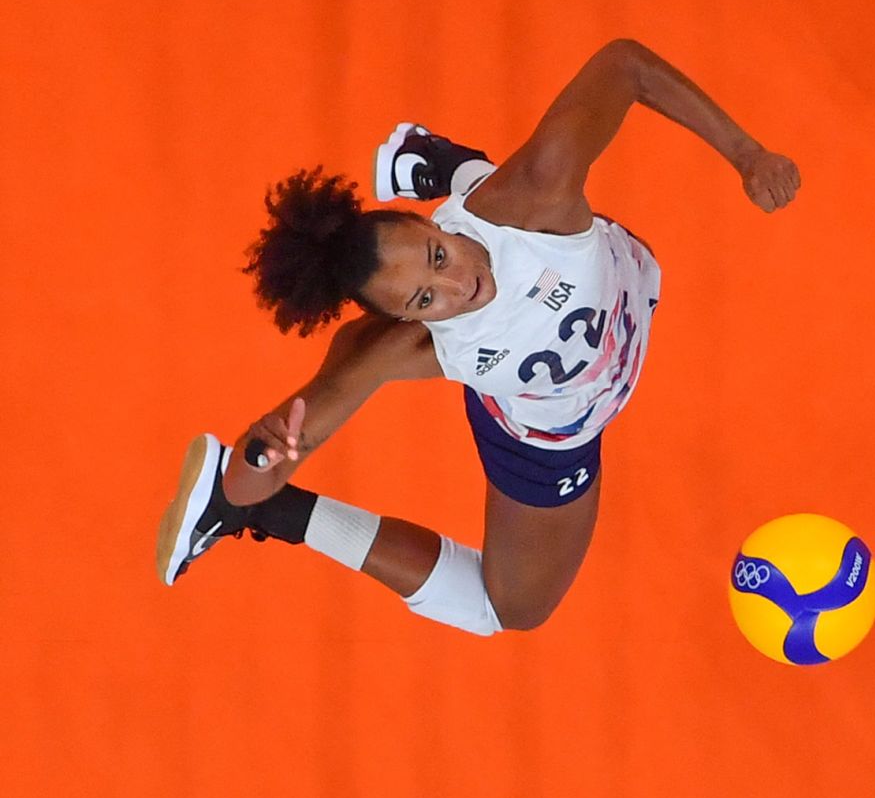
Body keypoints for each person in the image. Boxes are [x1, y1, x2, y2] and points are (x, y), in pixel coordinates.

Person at [155, 39, 801, 635]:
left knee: (510, 198)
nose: (460, 284)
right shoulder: (406, 344)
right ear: (409, 317)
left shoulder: (537, 193)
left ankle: (452, 169)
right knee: (510, 608)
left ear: (429, 226)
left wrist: (748, 154)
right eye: (425, 298)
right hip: (549, 433)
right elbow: (275, 449)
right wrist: (258, 468)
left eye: (437, 255)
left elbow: (626, 65)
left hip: (615, 277)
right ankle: (280, 522)